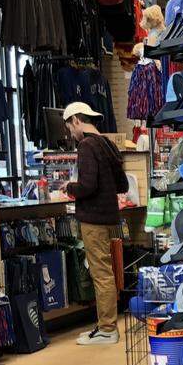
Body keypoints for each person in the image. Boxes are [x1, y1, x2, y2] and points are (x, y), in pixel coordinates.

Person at [63, 101, 128, 345]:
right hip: (110, 217)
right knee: (107, 272)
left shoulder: (87, 145)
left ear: (76, 120)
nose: (71, 133)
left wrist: (69, 187)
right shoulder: (107, 144)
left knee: (101, 274)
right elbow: (122, 184)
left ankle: (107, 329)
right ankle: (104, 325)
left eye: (70, 127)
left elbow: (87, 186)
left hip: (94, 218)